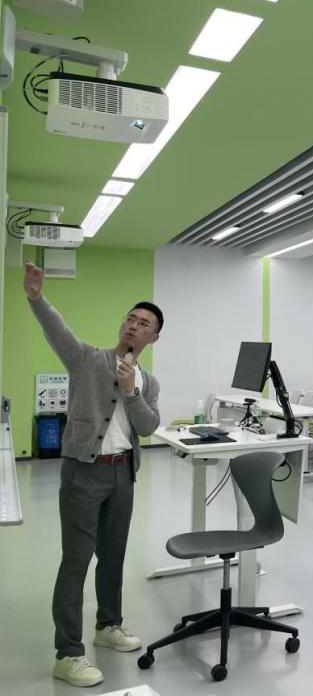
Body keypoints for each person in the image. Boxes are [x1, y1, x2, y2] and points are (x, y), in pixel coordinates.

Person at [24, 261, 162, 688]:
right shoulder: (88, 359)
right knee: (76, 560)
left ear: (154, 338)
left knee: (114, 555)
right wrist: (37, 299)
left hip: (123, 475)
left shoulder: (149, 382)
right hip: (84, 473)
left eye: (144, 324)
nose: (134, 325)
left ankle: (108, 625)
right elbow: (58, 331)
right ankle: (68, 654)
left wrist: (131, 392)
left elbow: (148, 426)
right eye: (131, 318)